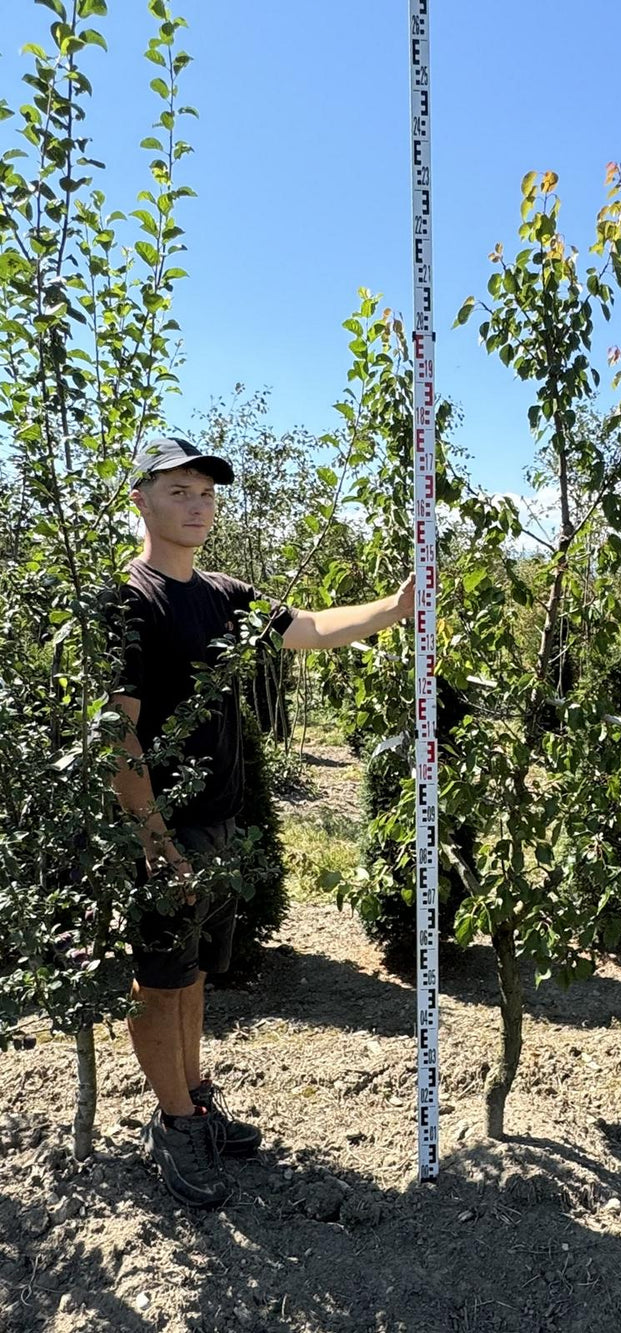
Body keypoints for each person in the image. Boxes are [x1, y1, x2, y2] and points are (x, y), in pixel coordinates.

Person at [108, 435, 414, 1208]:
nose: (197, 504)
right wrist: (154, 837)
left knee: (195, 975)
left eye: (206, 492)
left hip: (220, 825)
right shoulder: (128, 602)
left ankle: (196, 1097)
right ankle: (173, 1124)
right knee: (158, 980)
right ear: (140, 499)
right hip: (163, 831)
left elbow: (309, 627)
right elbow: (119, 734)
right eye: (179, 490)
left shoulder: (224, 593)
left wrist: (397, 607)